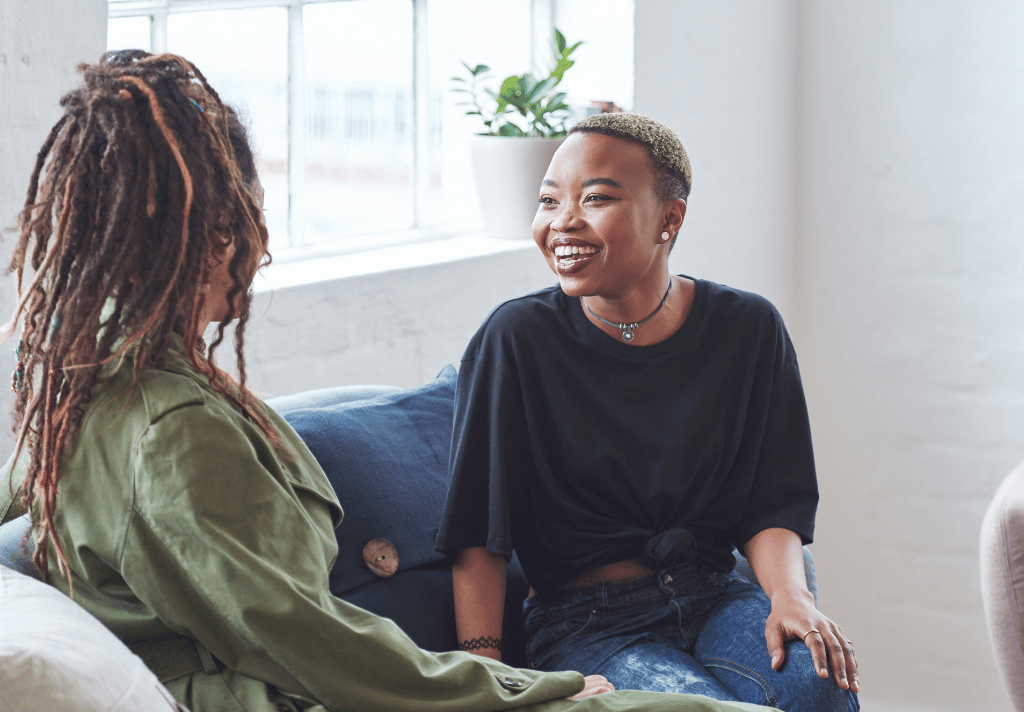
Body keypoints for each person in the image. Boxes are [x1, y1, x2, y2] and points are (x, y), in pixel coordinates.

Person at [0, 52, 774, 712]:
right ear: (188, 239)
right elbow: (314, 644)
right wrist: (514, 685)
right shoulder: (170, 430)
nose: (255, 251)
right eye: (237, 224)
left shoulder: (79, 383)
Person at [435, 113, 861, 712]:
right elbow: (479, 534)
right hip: (585, 626)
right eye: (549, 200)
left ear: (669, 219)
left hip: (716, 595)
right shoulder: (516, 339)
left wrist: (791, 597)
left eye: (596, 198)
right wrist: (487, 674)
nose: (563, 222)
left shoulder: (748, 329)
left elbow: (773, 500)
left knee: (819, 685)